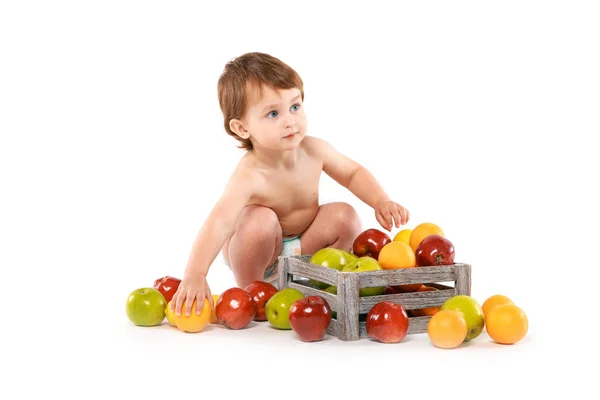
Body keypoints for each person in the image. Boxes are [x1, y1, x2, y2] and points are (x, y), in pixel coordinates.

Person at [171, 52, 410, 317]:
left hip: (300, 246)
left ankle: (320, 283)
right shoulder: (250, 174)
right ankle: (255, 293)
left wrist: (380, 200)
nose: (289, 121)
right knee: (258, 220)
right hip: (256, 250)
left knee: (346, 216)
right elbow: (220, 222)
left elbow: (352, 173)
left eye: (295, 107)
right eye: (273, 113)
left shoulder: (314, 150)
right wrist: (195, 273)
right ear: (242, 128)